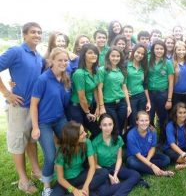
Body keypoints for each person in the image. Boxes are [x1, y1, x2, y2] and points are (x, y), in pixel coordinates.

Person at [0, 22, 43, 194]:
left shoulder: (38, 56)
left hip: (33, 108)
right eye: (33, 32)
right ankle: (23, 180)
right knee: (18, 143)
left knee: (31, 141)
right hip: (18, 106)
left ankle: (36, 171)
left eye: (39, 32)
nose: (37, 35)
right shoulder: (16, 51)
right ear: (24, 35)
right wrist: (6, 93)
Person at [30, 48, 70, 196]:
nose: (63, 63)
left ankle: (64, 174)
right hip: (44, 123)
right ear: (51, 61)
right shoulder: (43, 79)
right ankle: (47, 186)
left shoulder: (66, 78)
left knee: (69, 145)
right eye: (60, 60)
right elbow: (33, 105)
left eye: (65, 60)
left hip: (60, 119)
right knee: (50, 155)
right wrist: (35, 127)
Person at [51, 121, 108, 196]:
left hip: (79, 176)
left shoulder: (87, 142)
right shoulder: (62, 152)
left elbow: (92, 166)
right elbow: (60, 179)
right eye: (82, 133)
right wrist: (74, 190)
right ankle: (78, 193)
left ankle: (81, 192)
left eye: (84, 131)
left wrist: (86, 186)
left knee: (103, 173)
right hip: (65, 182)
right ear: (73, 138)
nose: (85, 133)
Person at [92, 113, 140, 196]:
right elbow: (95, 164)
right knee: (103, 192)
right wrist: (109, 176)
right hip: (102, 170)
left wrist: (115, 174)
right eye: (104, 125)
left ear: (113, 125)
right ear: (100, 126)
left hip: (115, 166)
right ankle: (128, 184)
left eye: (110, 124)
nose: (108, 128)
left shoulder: (118, 139)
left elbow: (119, 159)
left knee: (136, 175)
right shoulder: (95, 143)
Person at [67, 44, 101, 139]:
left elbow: (95, 90)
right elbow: (81, 97)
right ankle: (81, 153)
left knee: (97, 132)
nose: (93, 55)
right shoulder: (79, 73)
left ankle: (91, 151)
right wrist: (87, 112)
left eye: (95, 53)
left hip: (88, 107)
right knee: (79, 136)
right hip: (77, 108)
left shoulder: (95, 71)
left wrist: (98, 106)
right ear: (83, 55)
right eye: (90, 53)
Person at [126, 111, 174, 176]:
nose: (144, 123)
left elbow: (153, 147)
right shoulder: (131, 135)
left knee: (166, 159)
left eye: (146, 120)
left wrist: (148, 160)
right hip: (136, 157)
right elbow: (138, 155)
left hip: (148, 155)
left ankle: (143, 168)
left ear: (149, 121)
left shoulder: (152, 131)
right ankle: (161, 172)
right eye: (141, 121)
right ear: (137, 122)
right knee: (131, 162)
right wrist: (152, 165)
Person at [98, 47, 131, 134]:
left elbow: (124, 88)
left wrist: (128, 105)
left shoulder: (122, 70)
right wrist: (101, 106)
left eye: (118, 56)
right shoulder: (102, 70)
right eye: (113, 56)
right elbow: (99, 89)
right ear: (108, 56)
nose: (115, 58)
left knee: (120, 127)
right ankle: (112, 146)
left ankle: (118, 146)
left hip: (122, 103)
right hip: (109, 104)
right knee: (113, 127)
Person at [148, 40, 174, 140]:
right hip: (150, 94)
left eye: (161, 49)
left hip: (162, 94)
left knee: (163, 118)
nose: (159, 50)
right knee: (149, 117)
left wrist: (169, 99)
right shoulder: (149, 60)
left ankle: (163, 140)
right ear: (153, 49)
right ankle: (150, 139)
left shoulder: (168, 63)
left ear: (164, 50)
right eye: (157, 48)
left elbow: (171, 82)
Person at [126, 44, 151, 127]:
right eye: (138, 52)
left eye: (142, 54)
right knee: (133, 121)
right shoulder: (126, 65)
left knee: (142, 120)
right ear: (134, 51)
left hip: (141, 97)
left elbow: (145, 85)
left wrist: (148, 101)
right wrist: (124, 92)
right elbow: (120, 82)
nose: (140, 55)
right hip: (131, 97)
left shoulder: (144, 67)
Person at [172, 41, 186, 114]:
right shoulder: (171, 63)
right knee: (176, 114)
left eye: (183, 50)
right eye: (179, 50)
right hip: (176, 95)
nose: (181, 52)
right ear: (175, 51)